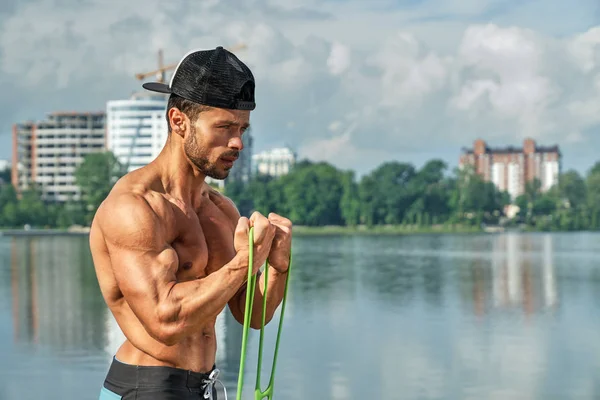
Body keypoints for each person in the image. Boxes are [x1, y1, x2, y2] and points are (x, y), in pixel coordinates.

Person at [90, 46, 292, 400]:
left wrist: (277, 266)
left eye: (243, 129)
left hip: (202, 387)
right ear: (178, 121)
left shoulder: (221, 210)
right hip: (146, 387)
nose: (237, 143)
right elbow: (165, 321)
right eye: (225, 127)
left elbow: (254, 315)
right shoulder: (135, 207)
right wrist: (246, 262)